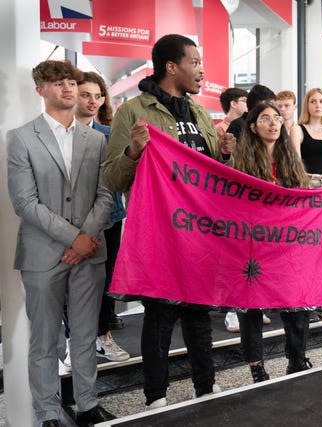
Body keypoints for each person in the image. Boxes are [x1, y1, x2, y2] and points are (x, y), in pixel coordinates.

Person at [103, 34, 235, 410]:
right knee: (159, 317)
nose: (202, 70)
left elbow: (213, 179)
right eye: (195, 62)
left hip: (202, 235)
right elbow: (113, 178)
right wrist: (134, 150)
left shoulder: (201, 114)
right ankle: (155, 398)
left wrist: (224, 157)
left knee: (198, 315)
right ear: (171, 67)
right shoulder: (133, 111)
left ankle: (206, 387)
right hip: (160, 235)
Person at [7, 59, 116, 426]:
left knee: (85, 336)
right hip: (42, 253)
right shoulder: (21, 137)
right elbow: (24, 202)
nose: (68, 88)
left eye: (71, 81)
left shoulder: (97, 139)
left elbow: (105, 195)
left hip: (89, 255)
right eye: (58, 83)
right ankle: (48, 413)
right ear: (41, 90)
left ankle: (87, 405)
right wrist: (77, 238)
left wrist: (86, 238)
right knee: (44, 339)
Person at [233, 102, 313, 382]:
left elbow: (303, 200)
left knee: (297, 303)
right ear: (253, 127)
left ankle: (296, 359)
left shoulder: (291, 160)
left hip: (286, 247)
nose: (273, 123)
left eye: (277, 118)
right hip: (252, 247)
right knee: (251, 308)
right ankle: (257, 368)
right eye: (265, 118)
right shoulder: (241, 164)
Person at [73, 71, 130, 364]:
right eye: (86, 94)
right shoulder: (63, 136)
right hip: (73, 223)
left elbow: (117, 178)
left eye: (98, 95)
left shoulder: (109, 134)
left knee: (107, 280)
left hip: (109, 218)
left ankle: (103, 335)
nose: (93, 101)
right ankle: (75, 341)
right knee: (75, 283)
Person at [290, 88, 322, 320]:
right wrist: (305, 190)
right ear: (307, 105)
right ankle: (303, 300)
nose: (317, 105)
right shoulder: (297, 130)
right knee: (305, 246)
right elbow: (296, 162)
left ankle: (321, 299)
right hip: (306, 187)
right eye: (313, 101)